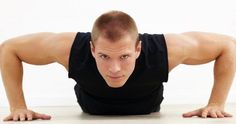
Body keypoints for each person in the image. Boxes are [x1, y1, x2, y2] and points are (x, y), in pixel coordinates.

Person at [0, 10, 235, 121]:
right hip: (91, 108)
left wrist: (216, 103)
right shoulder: (70, 48)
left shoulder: (164, 51)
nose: (114, 69)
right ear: (92, 49)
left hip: (148, 109)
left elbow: (228, 45)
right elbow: (9, 48)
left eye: (124, 57)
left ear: (138, 49)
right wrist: (17, 107)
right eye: (103, 56)